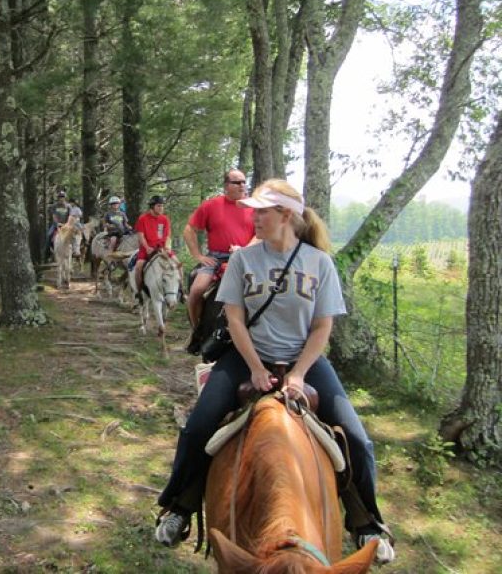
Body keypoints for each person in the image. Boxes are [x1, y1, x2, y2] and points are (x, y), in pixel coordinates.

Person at [154, 179, 395, 565]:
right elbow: (234, 318)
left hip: (306, 360)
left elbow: (322, 327)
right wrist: (253, 366)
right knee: (199, 426)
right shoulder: (244, 261)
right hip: (246, 357)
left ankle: (367, 521)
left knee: (356, 438)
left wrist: (298, 374)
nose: (254, 217)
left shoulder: (319, 264)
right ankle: (178, 505)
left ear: (285, 215)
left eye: (261, 211)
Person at [183, 169, 255, 337]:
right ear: (226, 185)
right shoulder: (211, 205)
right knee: (196, 291)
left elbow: (260, 234)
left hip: (248, 257)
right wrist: (198, 256)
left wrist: (244, 249)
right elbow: (189, 229)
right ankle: (197, 332)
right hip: (217, 257)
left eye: (244, 182)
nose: (242, 185)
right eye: (237, 182)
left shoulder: (253, 206)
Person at [133, 195, 173, 293]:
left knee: (177, 264)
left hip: (162, 248)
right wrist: (147, 247)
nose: (161, 208)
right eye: (159, 206)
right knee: (139, 266)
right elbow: (141, 236)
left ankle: (181, 291)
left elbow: (167, 236)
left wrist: (167, 247)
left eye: (162, 206)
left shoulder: (165, 219)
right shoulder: (143, 218)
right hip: (147, 248)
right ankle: (139, 291)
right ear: (152, 206)